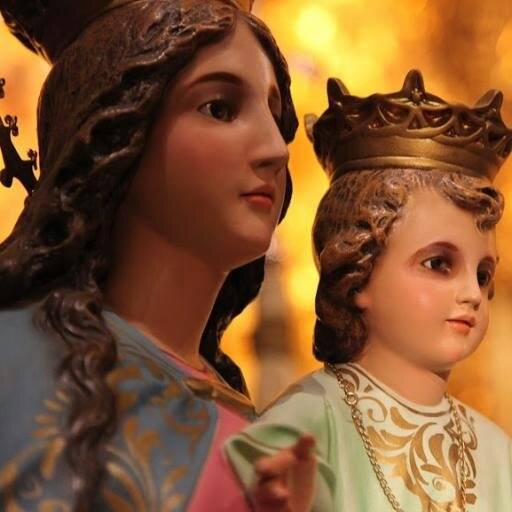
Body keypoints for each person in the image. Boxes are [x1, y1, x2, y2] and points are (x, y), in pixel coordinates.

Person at [0, 1, 316, 510]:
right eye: (220, 108)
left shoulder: (239, 412)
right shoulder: (17, 364)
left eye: (275, 116)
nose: (276, 149)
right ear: (114, 133)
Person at [226, 70, 512, 511]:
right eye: (439, 264)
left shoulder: (496, 451)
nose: (473, 294)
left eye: (482, 275)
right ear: (357, 271)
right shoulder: (306, 425)